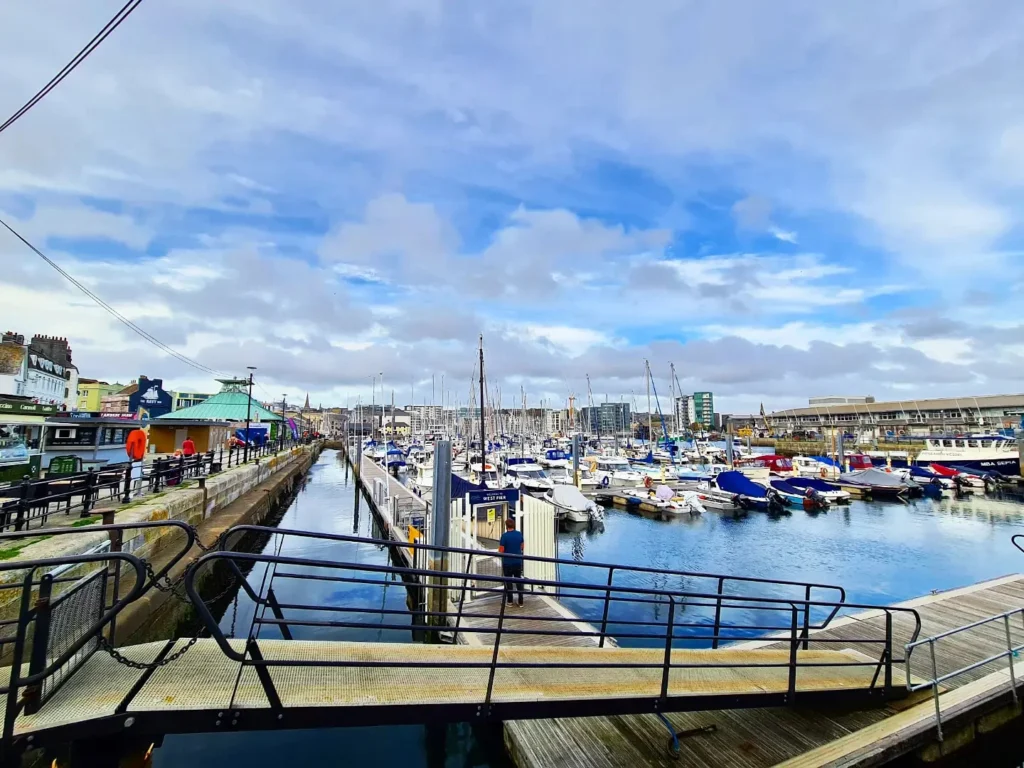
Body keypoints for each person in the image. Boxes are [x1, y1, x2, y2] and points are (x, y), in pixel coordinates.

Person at [498, 517, 525, 607]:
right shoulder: (519, 534)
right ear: (514, 525)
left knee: (508, 582)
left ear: (506, 526)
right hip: (518, 561)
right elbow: (522, 547)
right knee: (518, 581)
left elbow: (501, 550)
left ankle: (510, 601)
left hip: (507, 563)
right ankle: (521, 601)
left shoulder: (504, 536)